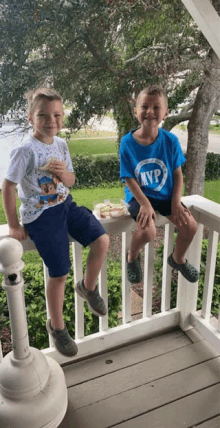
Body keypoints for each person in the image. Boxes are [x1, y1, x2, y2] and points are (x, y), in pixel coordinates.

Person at [2, 87, 109, 357]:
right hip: (41, 216)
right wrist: (14, 225)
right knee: (59, 272)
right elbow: (8, 187)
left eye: (58, 115)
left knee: (102, 239)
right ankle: (57, 326)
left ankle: (88, 286)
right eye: (44, 115)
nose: (52, 121)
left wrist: (64, 174)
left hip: (66, 205)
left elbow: (72, 181)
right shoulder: (25, 150)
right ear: (30, 118)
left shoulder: (61, 145)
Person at [119, 84, 199, 284]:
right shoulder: (127, 143)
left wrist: (176, 203)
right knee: (148, 232)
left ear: (166, 113)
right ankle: (132, 257)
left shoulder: (170, 141)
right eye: (145, 106)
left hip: (165, 196)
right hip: (140, 197)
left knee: (190, 226)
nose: (150, 111)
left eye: (156, 107)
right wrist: (144, 203)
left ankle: (177, 259)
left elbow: (178, 174)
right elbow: (129, 177)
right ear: (136, 110)